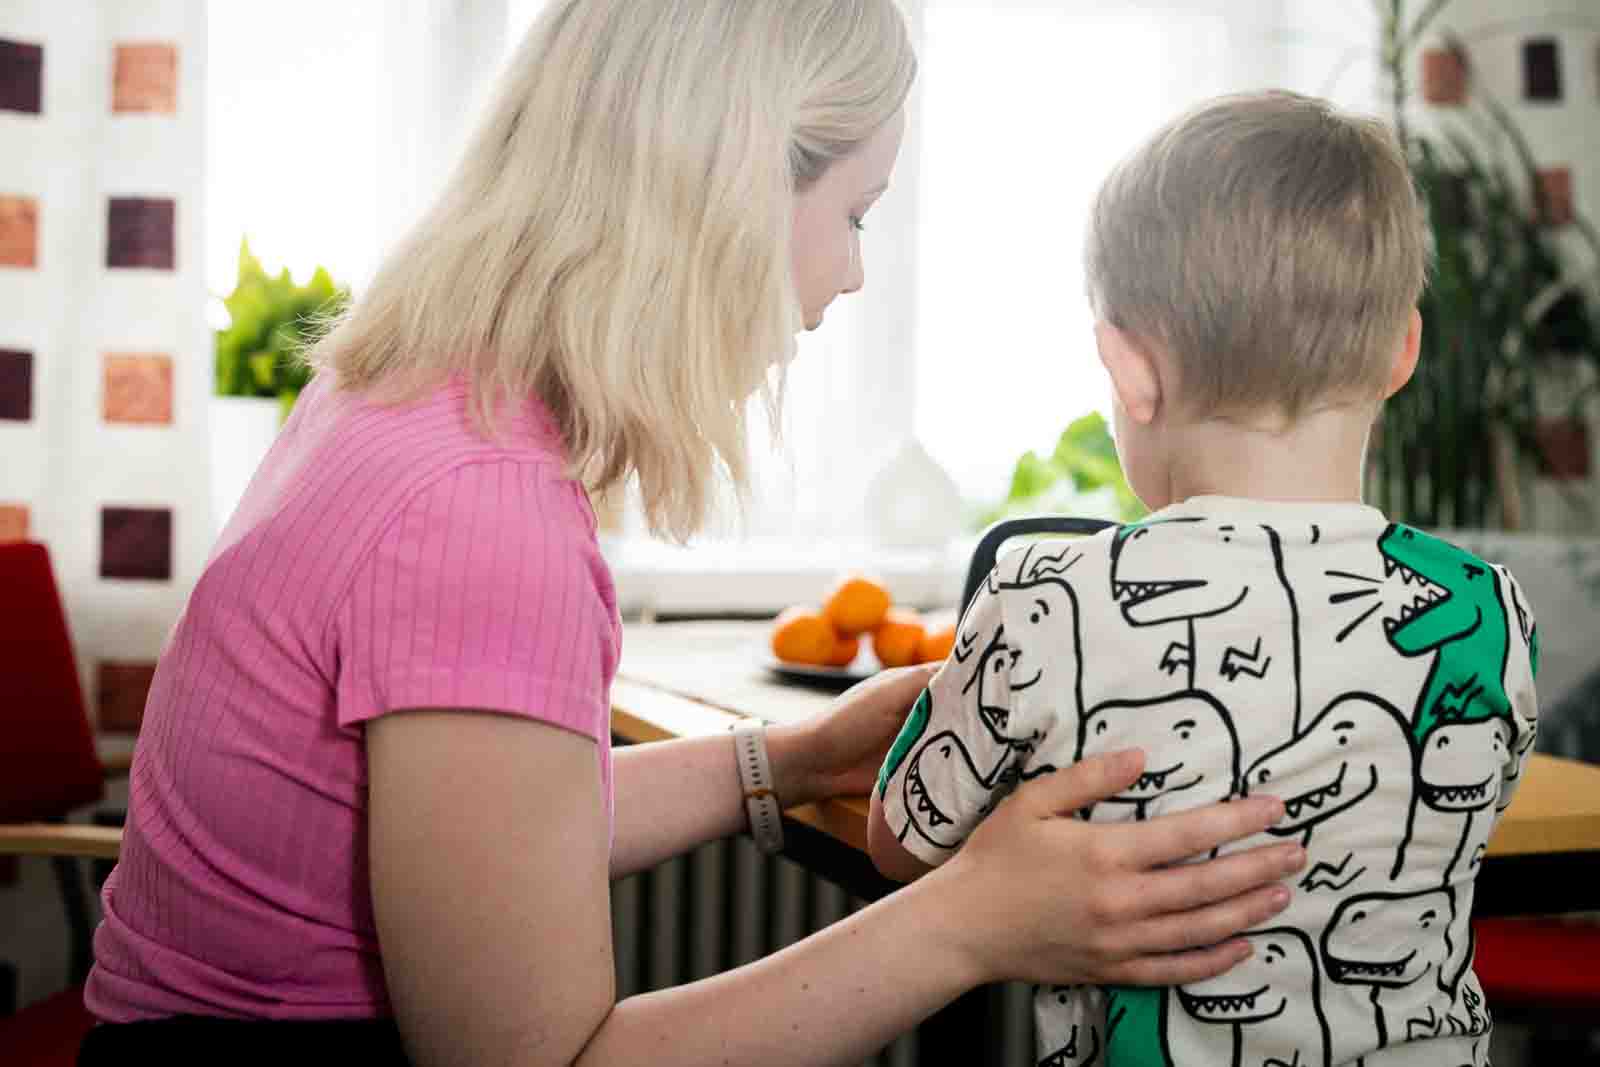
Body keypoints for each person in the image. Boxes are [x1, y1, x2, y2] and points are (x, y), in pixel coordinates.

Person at [78, 6, 1310, 1065]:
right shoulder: (476, 509)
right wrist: (971, 922)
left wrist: (786, 758)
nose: (854, 275)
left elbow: (480, 845)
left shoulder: (405, 398)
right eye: (857, 211)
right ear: (728, 193)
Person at [869, 90, 1541, 1067]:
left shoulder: (1047, 593)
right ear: (1404, 351)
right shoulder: (1482, 609)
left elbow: (904, 839)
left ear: (1128, 370)